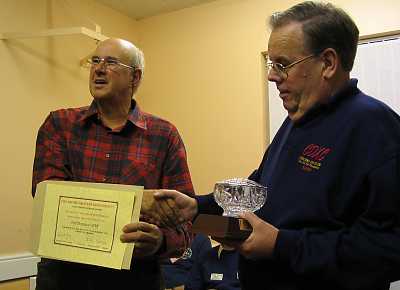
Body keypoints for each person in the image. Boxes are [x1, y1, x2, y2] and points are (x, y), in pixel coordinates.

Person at [153, 2, 400, 290]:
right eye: (272, 65)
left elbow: (388, 247)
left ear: (328, 64)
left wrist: (281, 245)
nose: (271, 75)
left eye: (283, 64)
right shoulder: (296, 121)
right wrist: (198, 206)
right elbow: (259, 188)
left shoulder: (375, 127)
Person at [31, 38, 194, 290]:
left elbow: (184, 222)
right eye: (95, 61)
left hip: (136, 277)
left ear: (135, 78)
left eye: (111, 62)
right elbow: (49, 198)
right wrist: (138, 201)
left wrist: (160, 241)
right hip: (64, 277)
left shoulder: (165, 135)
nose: (98, 68)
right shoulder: (59, 125)